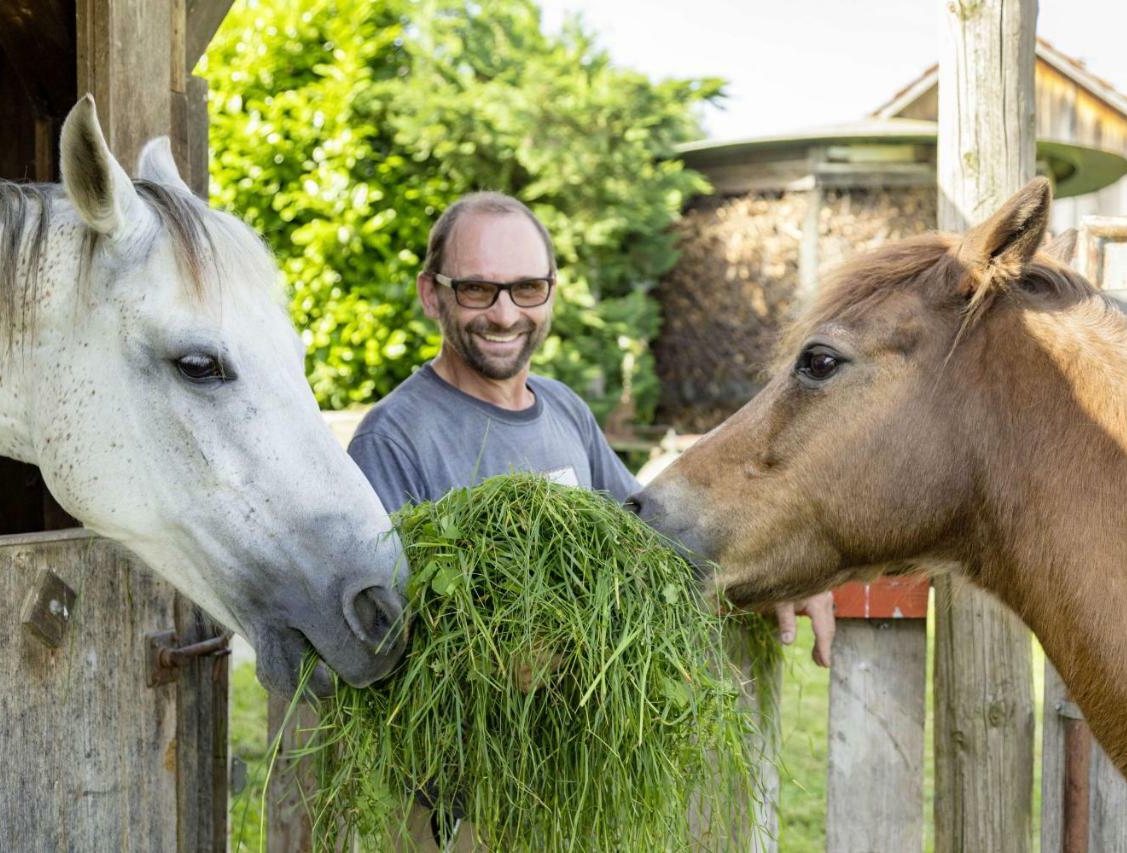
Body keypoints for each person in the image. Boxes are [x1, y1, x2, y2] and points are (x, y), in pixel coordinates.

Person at [348, 191, 834, 849]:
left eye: (526, 288)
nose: (504, 314)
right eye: (477, 291)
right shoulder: (394, 439)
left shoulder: (564, 410)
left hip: (580, 800)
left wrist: (785, 565)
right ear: (432, 295)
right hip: (462, 810)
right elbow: (383, 650)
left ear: (551, 291)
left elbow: (658, 543)